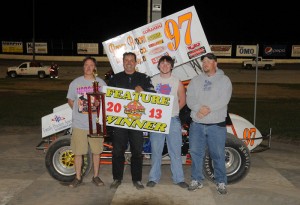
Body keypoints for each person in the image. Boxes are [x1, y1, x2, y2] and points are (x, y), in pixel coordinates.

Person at [186, 53, 232, 195]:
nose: (205, 64)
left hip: (216, 125)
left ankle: (221, 182)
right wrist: (199, 108)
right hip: (197, 125)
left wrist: (207, 110)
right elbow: (190, 99)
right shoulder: (195, 80)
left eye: (208, 61)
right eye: (203, 61)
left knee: (217, 154)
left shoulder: (224, 80)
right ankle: (196, 180)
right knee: (195, 153)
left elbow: (224, 99)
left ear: (215, 63)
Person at [108, 52, 155, 190]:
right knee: (117, 151)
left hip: (137, 121)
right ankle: (117, 178)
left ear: (136, 62)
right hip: (120, 122)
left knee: (137, 151)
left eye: (131, 60)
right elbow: (108, 97)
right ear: (122, 63)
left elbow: (153, 95)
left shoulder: (144, 78)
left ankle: (137, 180)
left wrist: (144, 91)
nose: (129, 62)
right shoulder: (115, 78)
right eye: (126, 60)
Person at [146, 55, 189, 189]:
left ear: (171, 66)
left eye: (167, 64)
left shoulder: (177, 81)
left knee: (175, 151)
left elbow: (183, 100)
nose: (165, 66)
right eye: (162, 64)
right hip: (157, 120)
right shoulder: (152, 80)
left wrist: (173, 110)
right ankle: (153, 178)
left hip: (173, 119)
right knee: (156, 150)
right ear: (158, 66)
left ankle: (178, 178)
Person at [66, 56, 107, 188]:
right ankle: (78, 177)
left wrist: (97, 107)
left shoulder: (101, 83)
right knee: (78, 152)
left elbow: (106, 101)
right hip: (79, 124)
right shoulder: (75, 83)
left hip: (96, 124)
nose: (89, 67)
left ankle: (96, 176)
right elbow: (70, 100)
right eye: (86, 65)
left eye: (91, 65)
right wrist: (79, 111)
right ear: (83, 67)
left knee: (96, 151)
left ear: (95, 67)